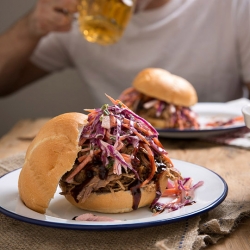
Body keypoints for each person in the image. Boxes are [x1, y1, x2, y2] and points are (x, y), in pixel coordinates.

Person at [0, 0, 250, 107]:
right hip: (120, 156)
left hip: (220, 153)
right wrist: (32, 26)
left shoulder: (231, 6)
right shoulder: (78, 15)